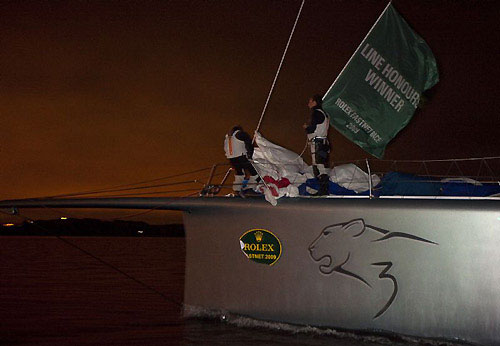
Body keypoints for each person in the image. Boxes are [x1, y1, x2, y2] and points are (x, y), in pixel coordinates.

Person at [303, 94, 330, 196]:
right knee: (321, 165)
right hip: (323, 142)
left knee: (318, 166)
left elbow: (312, 129)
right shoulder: (325, 114)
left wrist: (306, 127)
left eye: (310, 101)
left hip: (318, 143)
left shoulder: (316, 113)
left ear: (315, 102)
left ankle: (323, 191)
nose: (308, 103)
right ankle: (324, 190)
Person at [224, 125, 260, 194]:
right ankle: (250, 188)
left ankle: (236, 189)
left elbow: (226, 148)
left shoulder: (228, 138)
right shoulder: (240, 134)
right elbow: (249, 144)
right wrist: (250, 155)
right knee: (255, 173)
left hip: (232, 159)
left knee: (239, 173)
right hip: (241, 157)